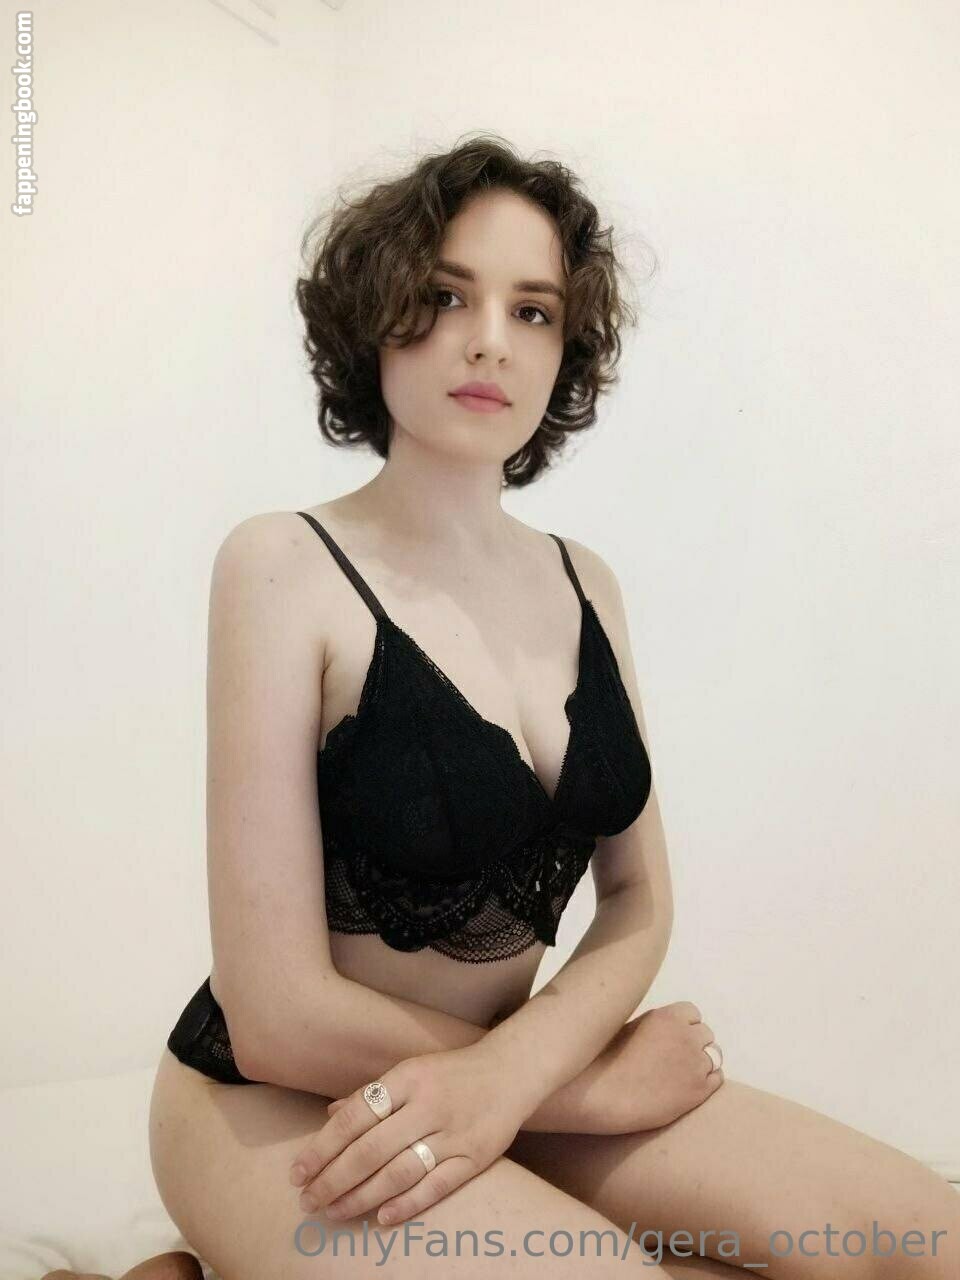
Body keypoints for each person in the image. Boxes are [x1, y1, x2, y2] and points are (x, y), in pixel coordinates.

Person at [148, 135, 958, 1280]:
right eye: (445, 295)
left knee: (926, 1232)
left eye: (533, 310)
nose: (491, 338)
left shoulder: (588, 583)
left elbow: (638, 896)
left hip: (505, 1078)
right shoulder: (281, 563)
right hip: (278, 1094)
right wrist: (576, 1085)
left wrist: (511, 1077)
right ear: (375, 313)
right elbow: (275, 1009)